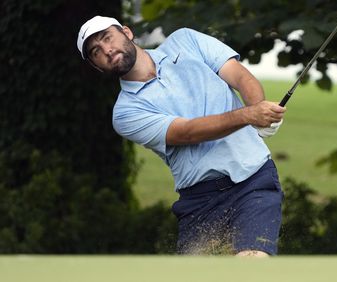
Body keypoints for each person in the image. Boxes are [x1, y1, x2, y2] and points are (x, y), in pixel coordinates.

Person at [77, 16, 286, 257]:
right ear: (96, 66)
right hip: (200, 200)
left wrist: (260, 109)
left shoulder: (185, 40)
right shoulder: (125, 113)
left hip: (254, 180)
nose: (107, 50)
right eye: (96, 51)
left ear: (127, 32)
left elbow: (240, 77)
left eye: (107, 38)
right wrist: (249, 116)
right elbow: (187, 132)